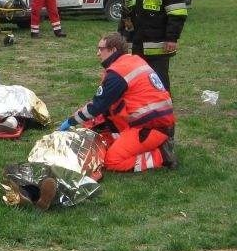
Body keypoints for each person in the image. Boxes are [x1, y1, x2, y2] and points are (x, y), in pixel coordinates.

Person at [58, 32, 177, 172]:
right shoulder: (133, 61)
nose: (98, 53)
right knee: (106, 134)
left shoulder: (118, 73)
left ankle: (161, 155)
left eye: (101, 49)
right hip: (154, 121)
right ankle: (147, 144)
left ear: (113, 50)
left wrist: (70, 121)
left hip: (150, 127)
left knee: (111, 161)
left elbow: (96, 107)